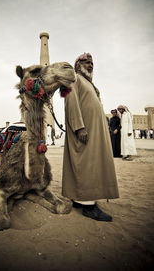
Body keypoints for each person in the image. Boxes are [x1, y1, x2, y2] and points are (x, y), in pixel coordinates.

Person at [62, 52, 119, 222]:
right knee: (86, 164)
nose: (90, 64)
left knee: (92, 163)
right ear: (78, 65)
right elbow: (70, 101)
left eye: (92, 62)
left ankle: (80, 200)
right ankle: (88, 206)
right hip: (84, 131)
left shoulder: (90, 84)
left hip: (95, 131)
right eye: (86, 62)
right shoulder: (73, 78)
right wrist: (79, 127)